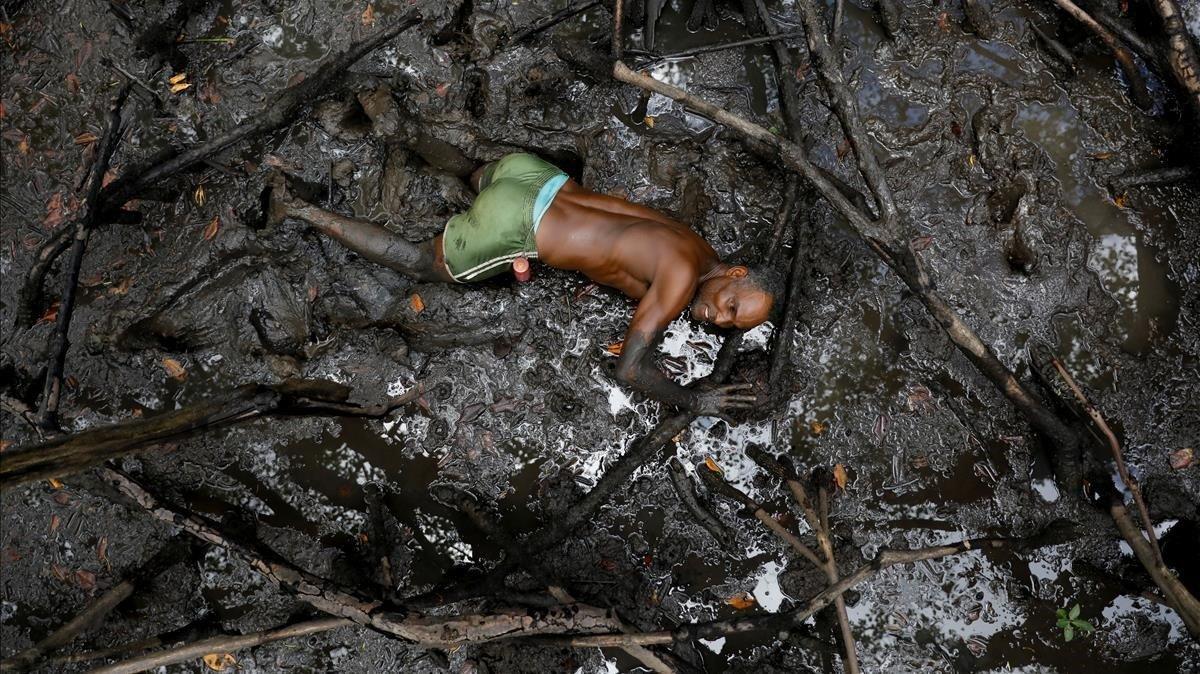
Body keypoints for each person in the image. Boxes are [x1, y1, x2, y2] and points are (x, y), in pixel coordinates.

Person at [268, 153, 782, 415]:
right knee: (421, 264)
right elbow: (628, 369)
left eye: (731, 323)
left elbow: (623, 255)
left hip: (537, 178)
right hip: (516, 222)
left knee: (476, 172)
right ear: (734, 274)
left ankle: (396, 122)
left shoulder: (699, 248)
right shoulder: (679, 280)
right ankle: (297, 206)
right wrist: (694, 400)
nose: (719, 319)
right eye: (730, 306)